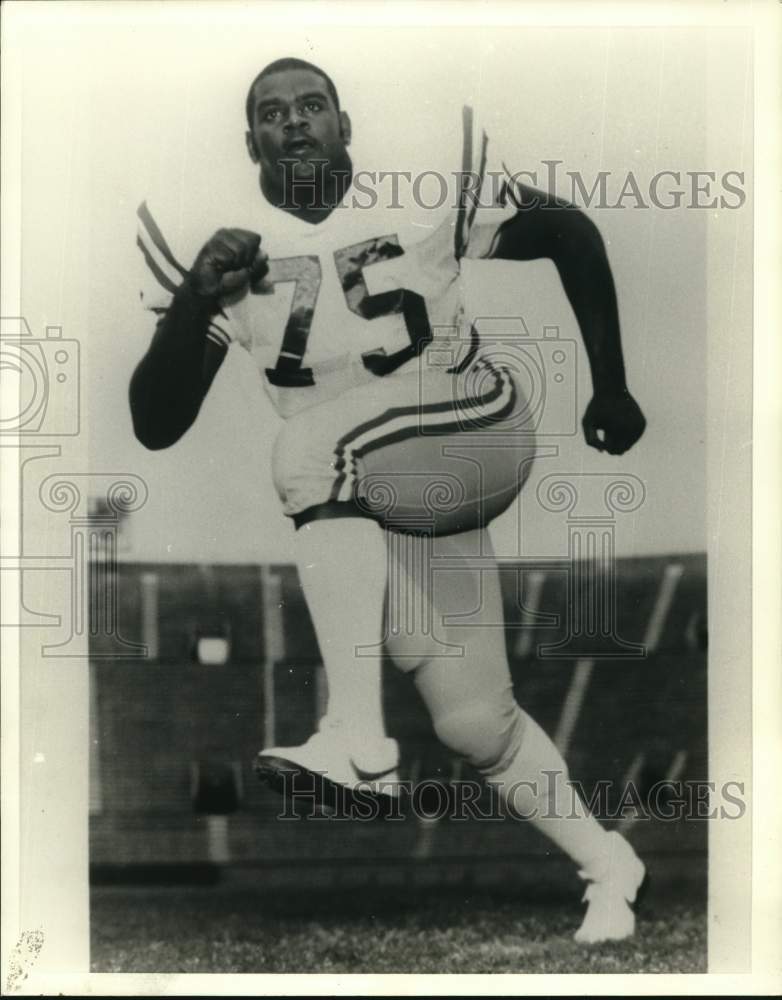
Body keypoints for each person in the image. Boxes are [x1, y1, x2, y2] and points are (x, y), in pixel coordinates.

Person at [130, 57, 648, 943]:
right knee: (474, 722)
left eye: (312, 105)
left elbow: (567, 230)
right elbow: (155, 423)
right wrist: (190, 301)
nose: (293, 121)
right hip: (379, 487)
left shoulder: (416, 195)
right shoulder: (227, 256)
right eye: (271, 112)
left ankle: (358, 740)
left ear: (345, 124)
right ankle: (610, 865)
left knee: (307, 445)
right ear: (249, 139)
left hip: (476, 426)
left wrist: (612, 385)